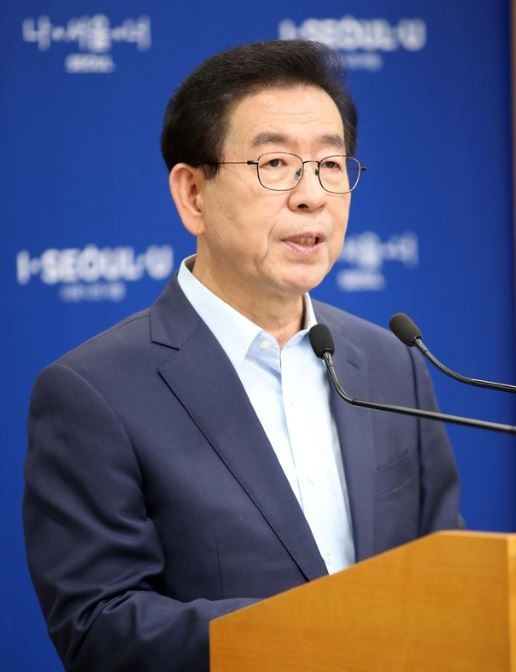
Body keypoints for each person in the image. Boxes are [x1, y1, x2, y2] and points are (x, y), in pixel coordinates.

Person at [24, 40, 461, 672]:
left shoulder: (392, 362)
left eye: (330, 164)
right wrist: (319, 637)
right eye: (275, 163)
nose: (311, 195)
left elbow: (445, 565)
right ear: (193, 195)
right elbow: (100, 628)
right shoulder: (94, 391)